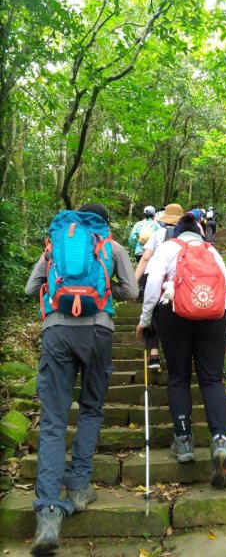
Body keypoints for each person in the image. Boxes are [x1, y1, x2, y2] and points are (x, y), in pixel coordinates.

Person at [25, 203, 138, 556]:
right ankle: (77, 488)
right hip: (99, 332)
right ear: (105, 224)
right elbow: (132, 291)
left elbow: (32, 289)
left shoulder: (55, 243)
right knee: (90, 410)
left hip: (56, 331)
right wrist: (104, 293)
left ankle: (47, 512)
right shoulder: (112, 246)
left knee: (55, 420)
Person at [135, 212, 226, 489]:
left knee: (179, 377)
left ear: (176, 232)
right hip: (214, 319)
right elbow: (225, 294)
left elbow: (153, 286)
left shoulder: (167, 248)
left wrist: (146, 321)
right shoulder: (213, 253)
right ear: (200, 233)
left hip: (174, 316)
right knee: (212, 379)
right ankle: (219, 439)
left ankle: (183, 440)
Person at [135, 204, 184, 369]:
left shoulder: (158, 233)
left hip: (155, 275)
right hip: (178, 279)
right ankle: (177, 357)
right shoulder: (187, 236)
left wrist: (134, 280)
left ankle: (154, 354)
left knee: (152, 312)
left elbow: (146, 258)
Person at [128, 206, 161, 296]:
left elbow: (132, 237)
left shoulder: (138, 224)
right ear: (154, 215)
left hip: (139, 251)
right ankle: (145, 289)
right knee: (148, 271)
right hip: (151, 252)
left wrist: (136, 246)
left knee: (140, 268)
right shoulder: (157, 225)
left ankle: (139, 289)